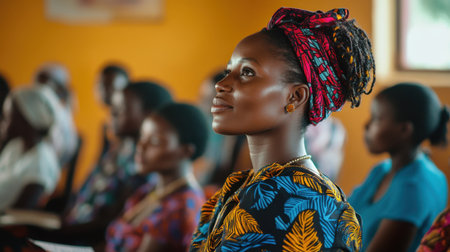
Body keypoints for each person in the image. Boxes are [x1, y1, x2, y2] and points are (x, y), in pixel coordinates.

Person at [190, 7, 375, 251]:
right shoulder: (246, 187)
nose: (222, 85)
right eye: (228, 71)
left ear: (295, 97)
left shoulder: (295, 203)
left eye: (247, 72)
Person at [40, 81, 173, 245]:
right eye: (113, 107)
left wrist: (56, 234)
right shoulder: (117, 150)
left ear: (148, 115)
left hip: (88, 242)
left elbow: (111, 223)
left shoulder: (144, 166)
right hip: (71, 231)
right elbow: (83, 195)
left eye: (121, 109)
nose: (112, 113)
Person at [348, 83, 449, 252]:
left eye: (376, 119)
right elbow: (339, 217)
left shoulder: (415, 188)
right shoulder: (381, 170)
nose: (367, 126)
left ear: (404, 129)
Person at [105, 103, 208, 252]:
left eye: (154, 141)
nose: (140, 146)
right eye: (142, 137)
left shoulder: (180, 209)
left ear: (186, 152)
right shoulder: (152, 189)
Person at [0, 87, 59, 210]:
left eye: (7, 117)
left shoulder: (41, 161)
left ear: (27, 118)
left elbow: (21, 212)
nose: (2, 123)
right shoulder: (15, 147)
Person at [196, 70, 251, 197]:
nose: (202, 109)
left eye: (209, 102)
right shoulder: (211, 132)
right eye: (202, 99)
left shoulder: (248, 142)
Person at [34, 63, 78, 167]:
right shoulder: (38, 114)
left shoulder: (59, 118)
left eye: (44, 87)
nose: (38, 91)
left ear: (60, 90)